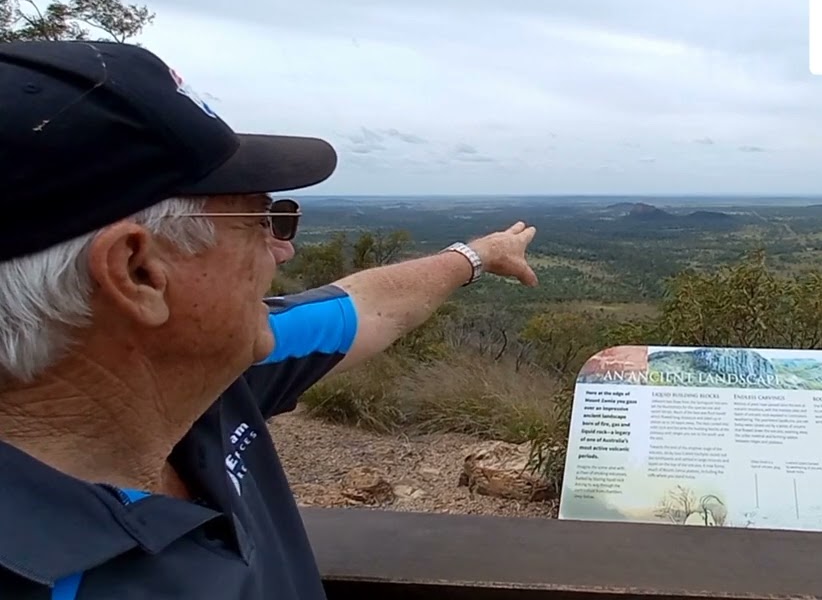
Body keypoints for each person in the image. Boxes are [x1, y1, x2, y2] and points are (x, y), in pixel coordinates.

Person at [0, 39, 539, 599]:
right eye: (264, 219)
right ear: (139, 272)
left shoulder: (206, 372)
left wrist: (480, 255)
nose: (283, 251)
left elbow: (370, 304)